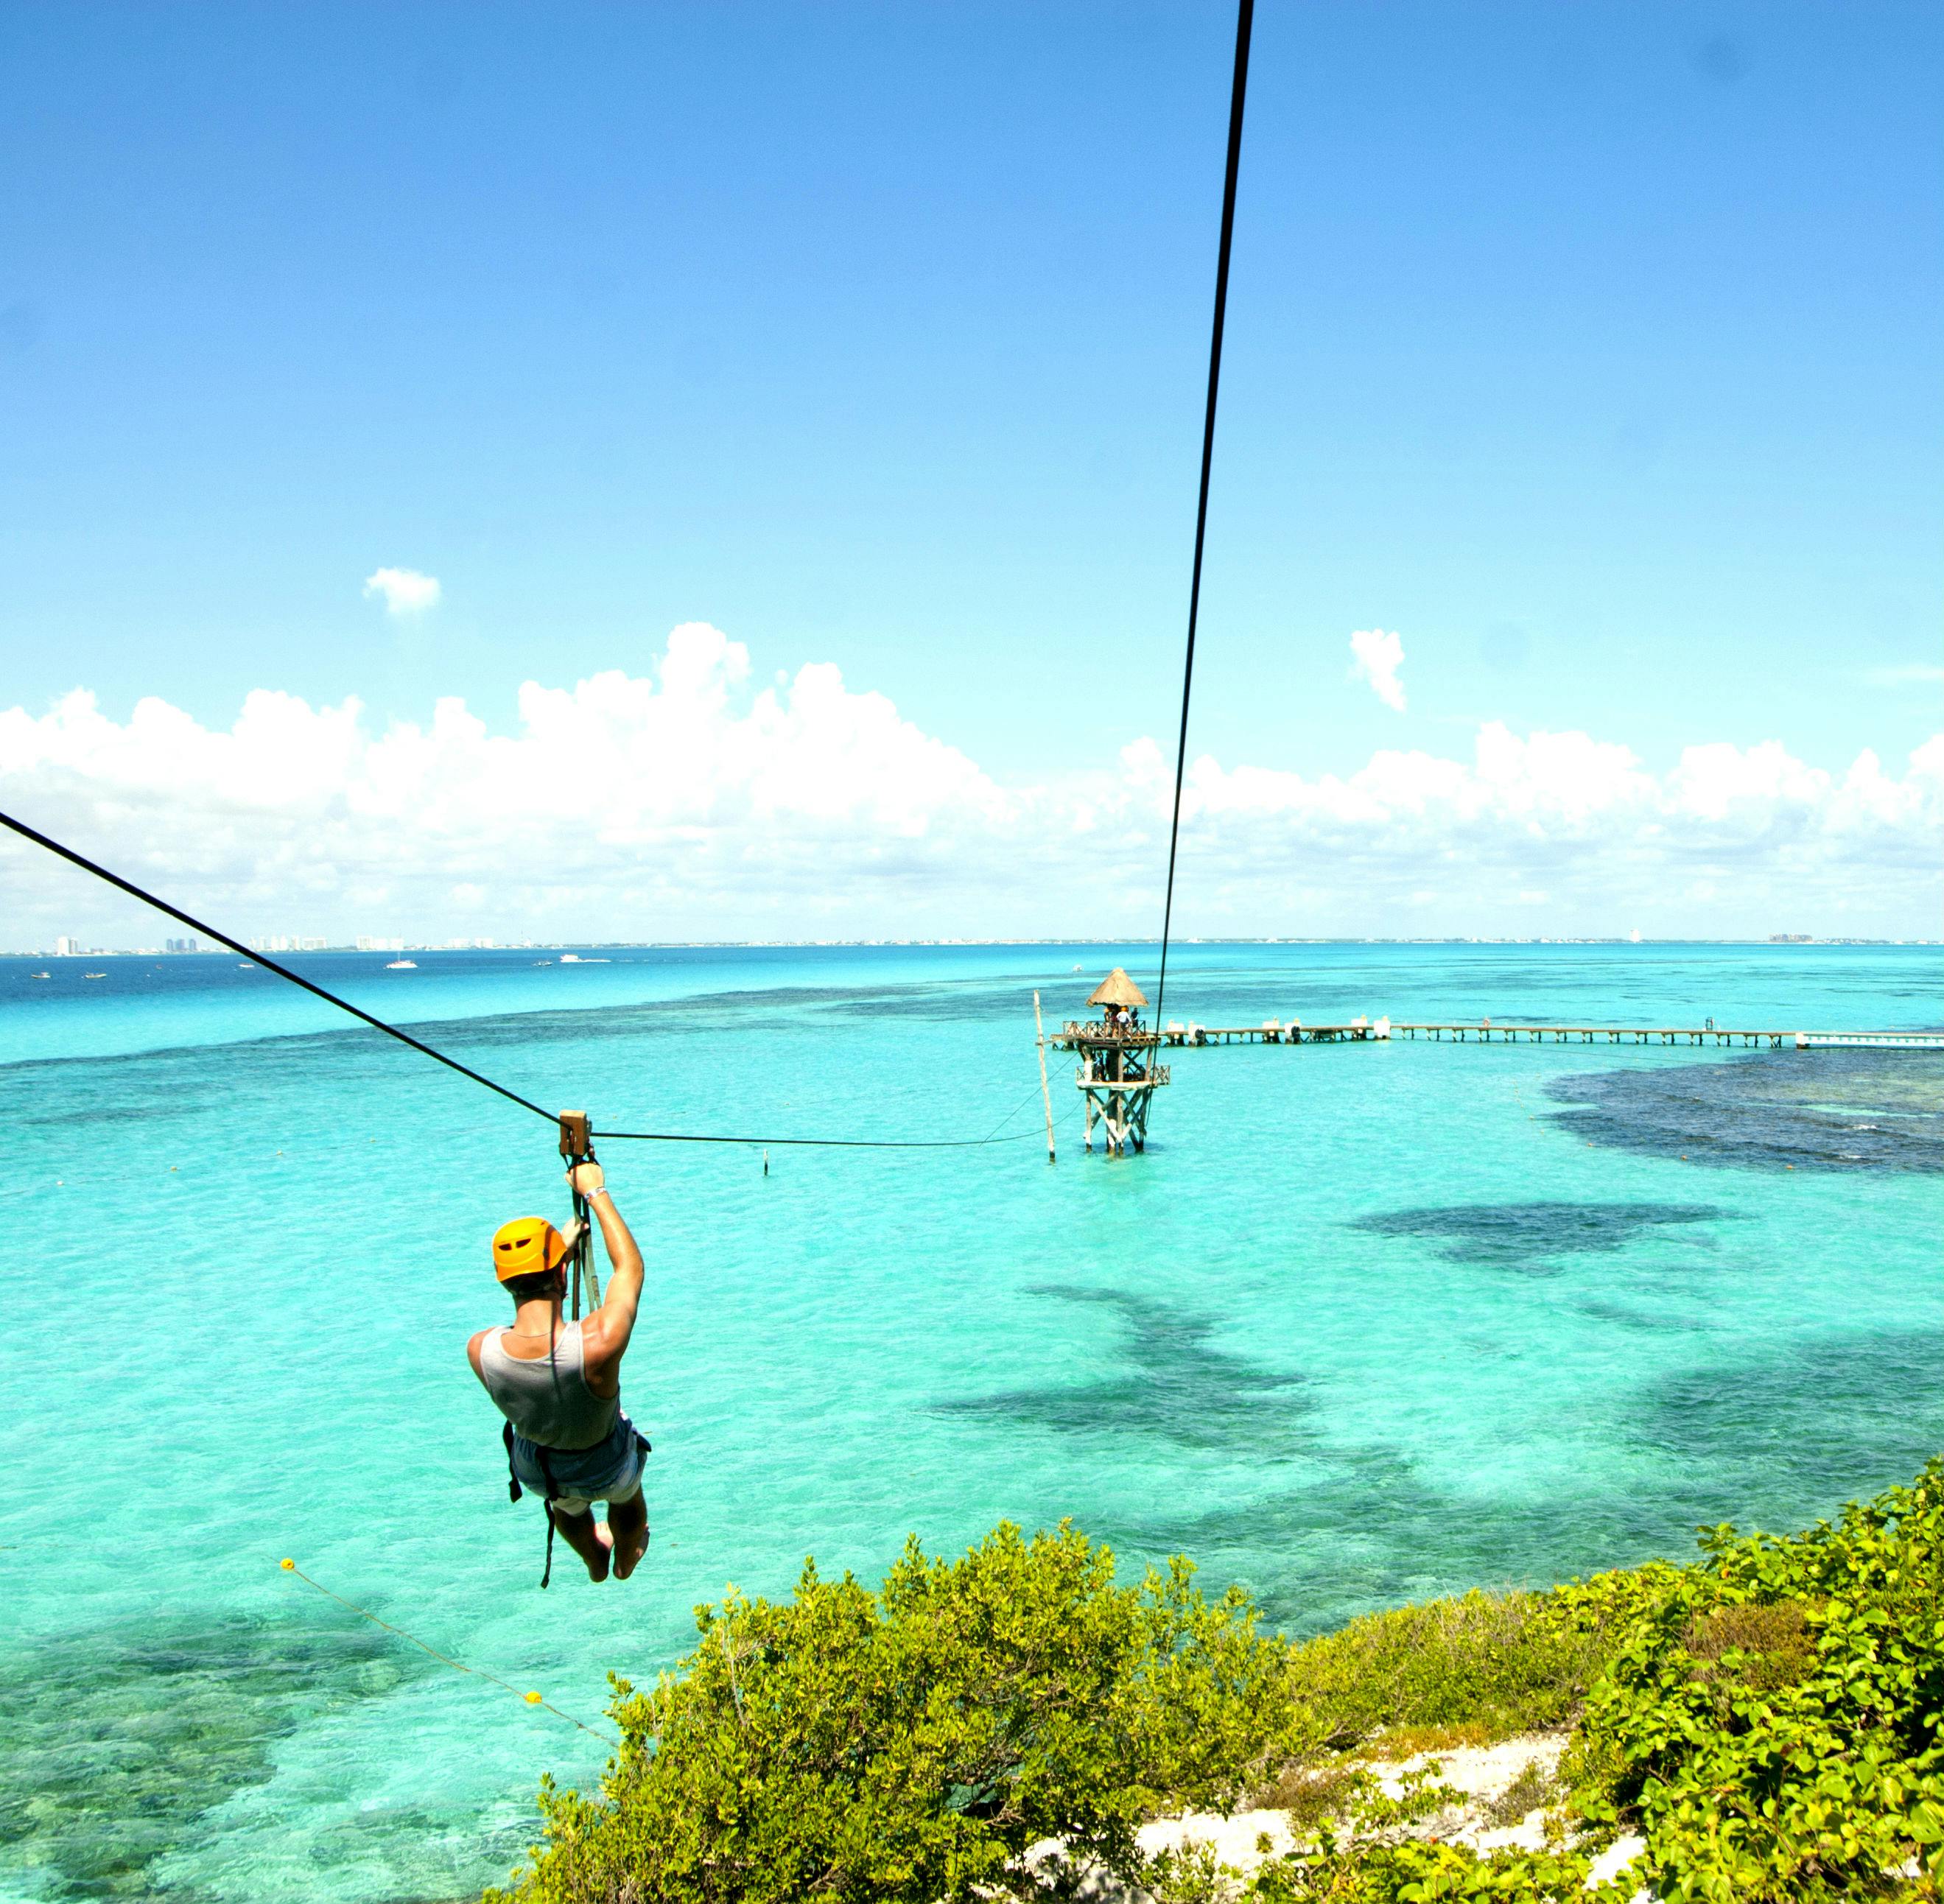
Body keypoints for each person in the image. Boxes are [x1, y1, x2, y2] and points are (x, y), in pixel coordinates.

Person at [468, 1162, 649, 1584]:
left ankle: (593, 1558)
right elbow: (630, 1270)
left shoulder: (480, 1349)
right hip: (605, 1466)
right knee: (627, 1497)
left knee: (564, 1503)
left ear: (503, 1282)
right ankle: (624, 1560)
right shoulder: (598, 1342)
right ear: (563, 1272)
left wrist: (558, 1258)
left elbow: (526, 1338)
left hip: (540, 1469)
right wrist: (595, 1192)